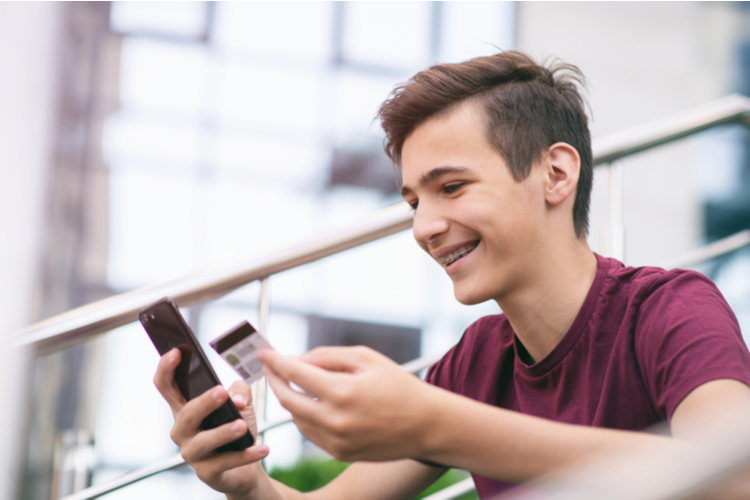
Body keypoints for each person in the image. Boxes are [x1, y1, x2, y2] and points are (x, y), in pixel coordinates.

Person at [154, 51, 750, 499]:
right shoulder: (477, 362)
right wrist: (249, 482)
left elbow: (733, 473)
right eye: (415, 202)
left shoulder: (670, 309)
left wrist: (438, 424)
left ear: (556, 174)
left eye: (452, 187)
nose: (425, 227)